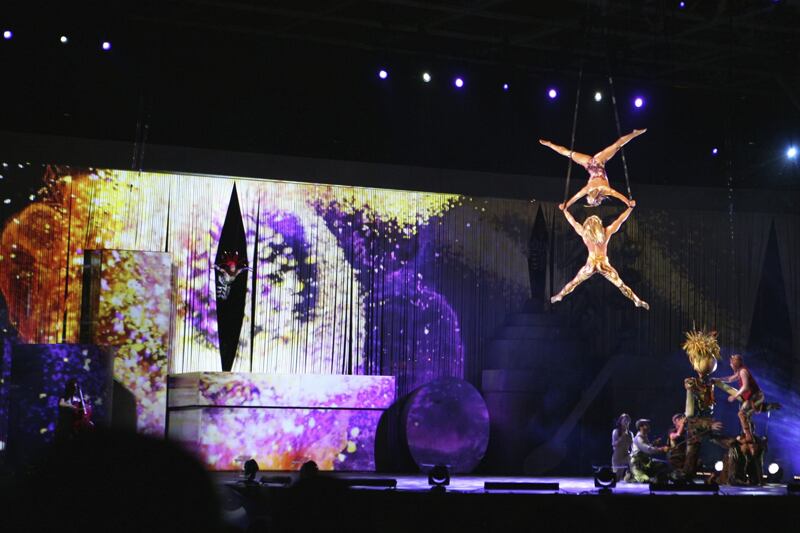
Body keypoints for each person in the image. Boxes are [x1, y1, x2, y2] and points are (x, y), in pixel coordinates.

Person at [550, 203, 649, 309]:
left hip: (591, 264)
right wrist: (630, 208)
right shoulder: (605, 233)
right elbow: (620, 220)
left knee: (574, 282)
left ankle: (560, 295)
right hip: (603, 264)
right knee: (620, 284)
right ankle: (636, 300)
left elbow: (573, 222)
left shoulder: (585, 234)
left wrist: (565, 211)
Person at [539, 129, 646, 208]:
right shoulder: (605, 190)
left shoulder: (588, 189)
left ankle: (550, 144)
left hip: (589, 164)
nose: (587, 196)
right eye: (589, 198)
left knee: (568, 153)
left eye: (587, 197)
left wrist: (566, 205)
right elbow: (618, 195)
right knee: (616, 146)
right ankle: (634, 133)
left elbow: (575, 197)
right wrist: (628, 202)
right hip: (599, 162)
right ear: (596, 198)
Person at [715, 354, 780, 452]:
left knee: (742, 413)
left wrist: (734, 396)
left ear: (735, 363)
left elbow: (745, 387)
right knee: (748, 414)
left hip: (755, 397)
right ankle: (748, 432)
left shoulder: (743, 371)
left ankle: (748, 436)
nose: (730, 365)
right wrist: (718, 380)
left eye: (731, 363)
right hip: (751, 398)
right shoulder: (740, 371)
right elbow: (730, 379)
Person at [55, 379, 92, 444]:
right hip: (65, 425)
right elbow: (61, 403)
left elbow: (81, 410)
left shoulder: (77, 399)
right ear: (69, 388)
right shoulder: (64, 397)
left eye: (76, 388)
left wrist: (85, 402)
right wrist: (71, 406)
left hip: (75, 425)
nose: (75, 389)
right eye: (73, 387)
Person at [611, 413, 633, 480]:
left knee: (634, 459)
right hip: (617, 457)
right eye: (625, 420)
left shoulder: (630, 433)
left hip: (626, 456)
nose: (626, 422)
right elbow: (614, 444)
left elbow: (633, 446)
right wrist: (622, 437)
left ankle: (630, 475)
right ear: (620, 421)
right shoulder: (616, 431)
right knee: (617, 478)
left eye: (627, 421)